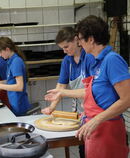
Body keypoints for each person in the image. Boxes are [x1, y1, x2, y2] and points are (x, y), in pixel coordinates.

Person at [46, 15, 129, 158]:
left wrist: (97, 119)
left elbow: (127, 100)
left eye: (80, 39)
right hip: (95, 128)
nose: (80, 44)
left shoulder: (112, 60)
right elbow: (93, 94)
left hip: (108, 130)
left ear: (90, 39)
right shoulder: (98, 63)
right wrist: (88, 113)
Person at [42, 27, 95, 158]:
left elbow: (92, 91)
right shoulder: (67, 61)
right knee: (82, 147)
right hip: (79, 112)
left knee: (92, 149)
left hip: (94, 111)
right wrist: (52, 107)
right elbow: (60, 86)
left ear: (76, 40)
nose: (64, 51)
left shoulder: (89, 57)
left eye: (66, 47)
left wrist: (63, 93)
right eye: (62, 48)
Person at [0, 37, 31, 116]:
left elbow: (19, 86)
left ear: (7, 49)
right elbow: (10, 80)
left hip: (19, 104)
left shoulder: (16, 62)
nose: (0, 55)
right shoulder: (10, 61)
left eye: (1, 52)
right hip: (14, 103)